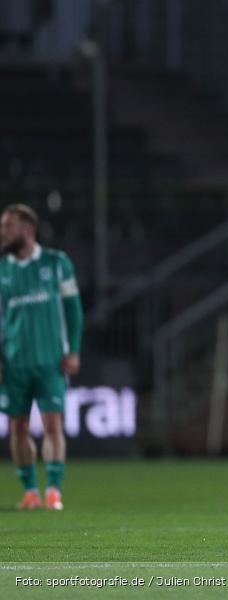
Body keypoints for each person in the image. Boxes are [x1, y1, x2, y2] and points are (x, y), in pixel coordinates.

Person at [0, 204, 83, 510]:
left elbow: (74, 311)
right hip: (13, 364)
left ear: (26, 229)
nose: (2, 232)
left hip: (51, 361)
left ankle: (54, 491)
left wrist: (73, 350)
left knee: (53, 424)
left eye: (7, 226)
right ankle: (30, 492)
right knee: (17, 427)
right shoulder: (2, 269)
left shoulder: (56, 262)